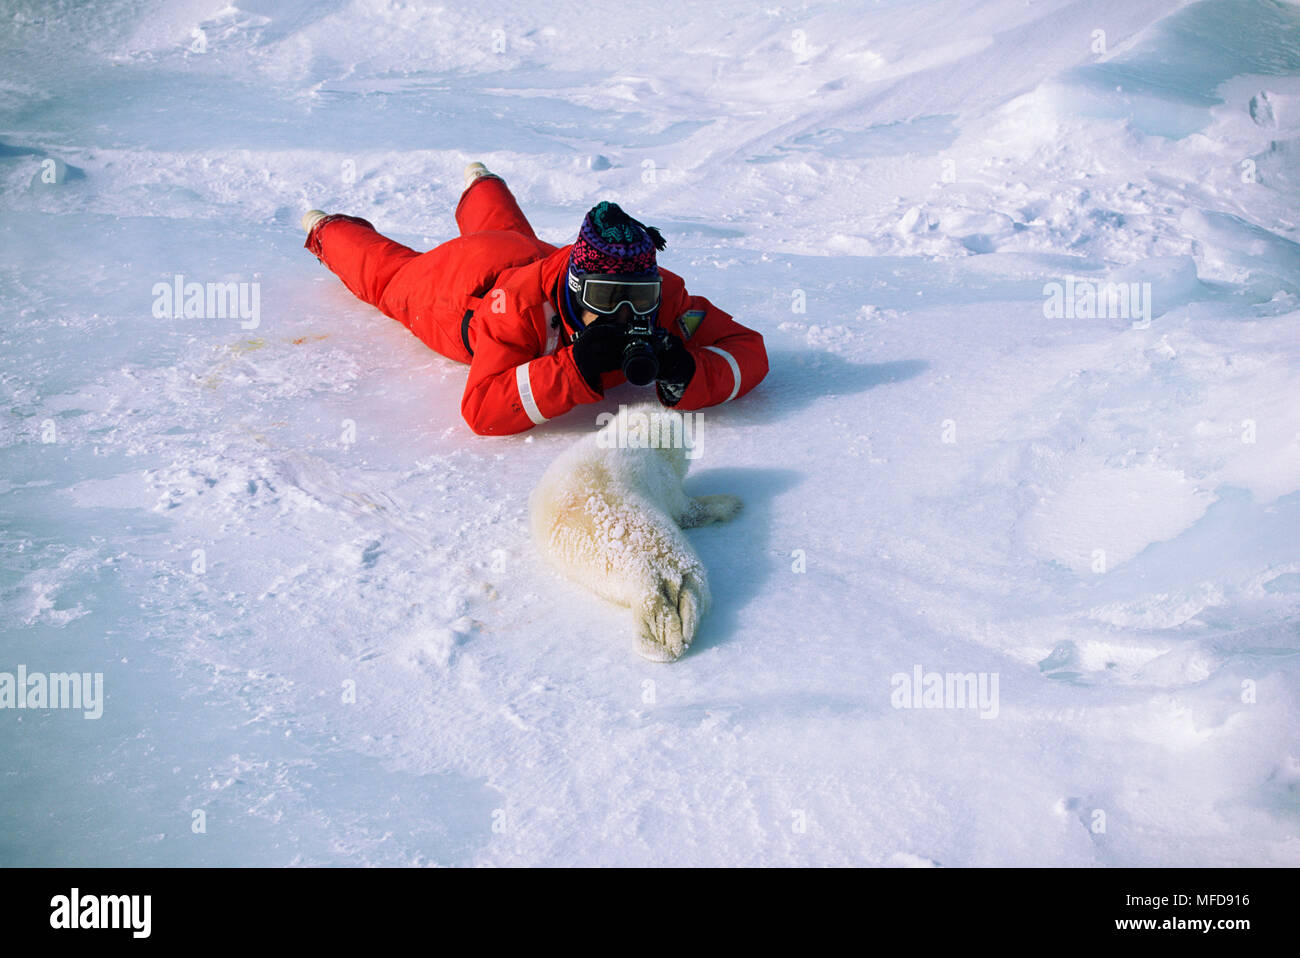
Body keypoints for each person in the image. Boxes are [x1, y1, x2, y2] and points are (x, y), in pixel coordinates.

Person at [301, 163, 768, 435]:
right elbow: (482, 410)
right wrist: (572, 368)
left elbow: (749, 348)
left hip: (525, 254)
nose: (626, 313)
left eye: (640, 296)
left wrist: (689, 373)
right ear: (576, 287)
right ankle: (325, 228)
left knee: (505, 232)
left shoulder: (663, 300)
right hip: (460, 290)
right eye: (606, 297)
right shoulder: (521, 312)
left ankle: (481, 182)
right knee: (389, 278)